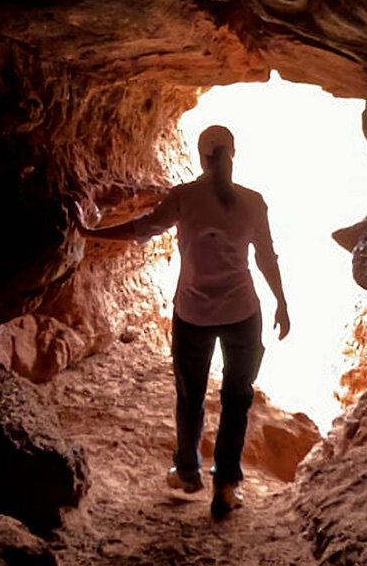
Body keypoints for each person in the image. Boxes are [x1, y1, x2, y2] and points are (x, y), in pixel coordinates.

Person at [73, 124, 290, 518]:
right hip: (243, 312)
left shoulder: (185, 198)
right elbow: (266, 257)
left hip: (193, 312)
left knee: (190, 397)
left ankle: (188, 472)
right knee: (237, 399)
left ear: (201, 156)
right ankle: (226, 485)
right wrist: (282, 302)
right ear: (234, 153)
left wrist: (90, 231)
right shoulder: (253, 202)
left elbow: (142, 228)